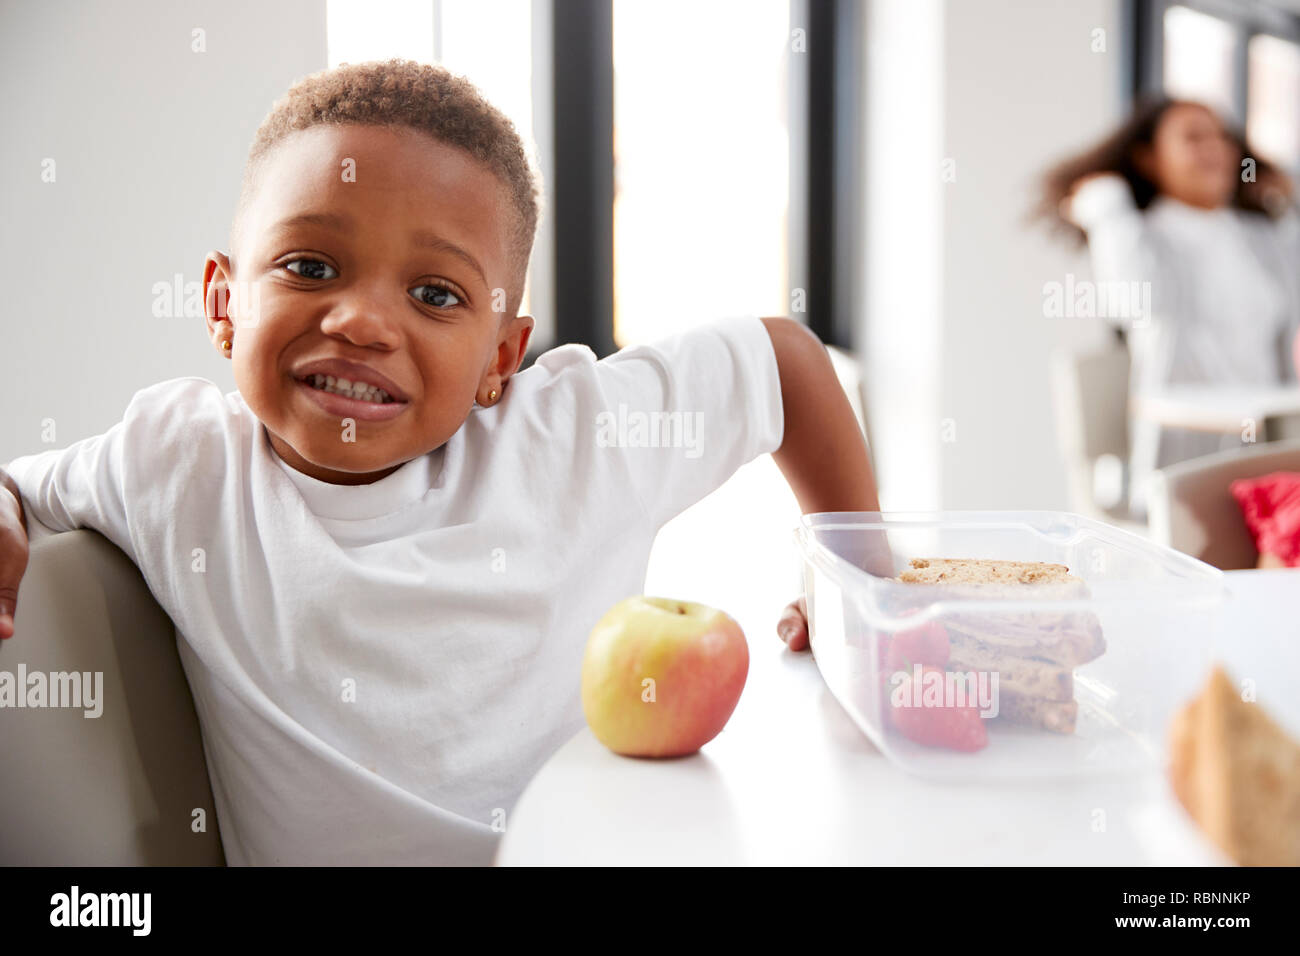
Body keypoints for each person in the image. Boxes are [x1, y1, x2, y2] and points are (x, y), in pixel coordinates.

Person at [0, 59, 873, 865]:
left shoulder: (570, 438)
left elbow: (786, 362)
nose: (362, 322)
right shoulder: (178, 463)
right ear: (224, 304)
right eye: (310, 266)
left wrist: (852, 578)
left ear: (502, 357)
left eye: (433, 294)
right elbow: (16, 483)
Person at [1039, 96, 1300, 515]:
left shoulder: (1262, 237)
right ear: (1149, 159)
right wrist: (1108, 209)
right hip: (1185, 460)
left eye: (1222, 137)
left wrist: (1285, 203)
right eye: (1194, 137)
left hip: (1270, 451)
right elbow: (1130, 302)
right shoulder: (1143, 235)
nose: (1215, 147)